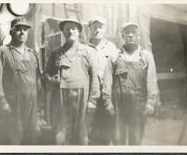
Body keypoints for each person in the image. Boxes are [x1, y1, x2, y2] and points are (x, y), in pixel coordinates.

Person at [102, 22, 160, 145]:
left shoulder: (145, 56)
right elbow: (107, 80)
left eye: (133, 32)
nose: (130, 35)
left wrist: (150, 102)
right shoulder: (114, 56)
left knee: (136, 138)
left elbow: (152, 80)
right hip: (118, 103)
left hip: (137, 104)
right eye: (127, 33)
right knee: (118, 139)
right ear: (122, 36)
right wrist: (107, 101)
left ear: (138, 35)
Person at [45, 19, 100, 145]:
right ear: (63, 32)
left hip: (83, 98)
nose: (70, 31)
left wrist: (92, 101)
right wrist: (51, 80)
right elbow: (46, 74)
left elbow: (94, 77)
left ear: (79, 31)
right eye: (67, 28)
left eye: (74, 28)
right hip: (61, 98)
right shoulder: (56, 53)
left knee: (82, 135)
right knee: (62, 133)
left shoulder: (88, 52)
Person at [0, 17, 41, 144]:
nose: (22, 33)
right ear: (11, 32)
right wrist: (2, 101)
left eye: (25, 30)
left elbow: (37, 79)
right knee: (13, 138)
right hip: (12, 104)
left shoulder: (32, 53)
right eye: (18, 30)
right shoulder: (2, 53)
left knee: (31, 137)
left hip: (31, 103)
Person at [87, 17, 119, 145]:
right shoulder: (85, 48)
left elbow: (118, 68)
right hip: (91, 96)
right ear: (90, 29)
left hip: (108, 94)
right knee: (92, 131)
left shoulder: (112, 47)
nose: (97, 30)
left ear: (105, 29)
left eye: (100, 27)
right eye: (94, 27)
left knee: (108, 129)